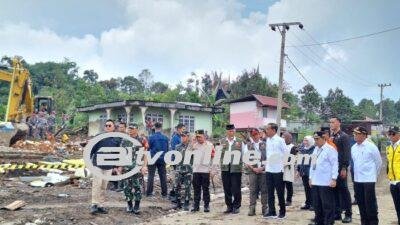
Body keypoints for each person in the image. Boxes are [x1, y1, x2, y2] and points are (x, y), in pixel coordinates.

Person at [351, 126, 381, 225]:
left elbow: (378, 163)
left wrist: (373, 176)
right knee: (360, 203)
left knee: (370, 204)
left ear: (364, 135)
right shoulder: (353, 147)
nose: (354, 135)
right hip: (357, 179)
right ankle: (364, 222)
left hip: (369, 179)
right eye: (354, 134)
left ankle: (373, 222)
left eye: (357, 134)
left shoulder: (371, 146)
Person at [90, 119, 121, 215]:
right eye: (106, 125)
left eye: (109, 126)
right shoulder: (99, 137)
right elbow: (91, 149)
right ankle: (94, 204)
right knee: (97, 184)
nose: (107, 127)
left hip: (108, 166)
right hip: (97, 165)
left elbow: (117, 154)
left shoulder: (116, 139)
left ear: (113, 128)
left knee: (104, 186)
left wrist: (116, 166)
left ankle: (101, 205)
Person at [309, 131, 338, 225]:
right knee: (317, 204)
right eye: (314, 139)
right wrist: (310, 178)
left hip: (326, 181)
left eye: (317, 139)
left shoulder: (330, 149)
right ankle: (319, 221)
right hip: (316, 181)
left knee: (327, 205)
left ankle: (328, 222)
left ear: (324, 138)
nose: (315, 141)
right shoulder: (315, 149)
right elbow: (312, 165)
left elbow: (335, 165)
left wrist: (334, 178)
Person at [121, 123, 148, 214]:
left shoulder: (142, 140)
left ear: (137, 130)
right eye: (129, 128)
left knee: (137, 187)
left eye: (132, 129)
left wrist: (144, 166)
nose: (130, 130)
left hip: (138, 168)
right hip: (127, 168)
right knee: (127, 187)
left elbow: (145, 154)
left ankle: (137, 205)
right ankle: (129, 204)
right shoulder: (125, 140)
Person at [220, 124, 247, 214]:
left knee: (236, 188)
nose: (231, 132)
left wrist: (244, 165)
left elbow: (244, 154)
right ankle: (229, 206)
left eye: (232, 131)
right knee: (226, 188)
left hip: (236, 168)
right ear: (226, 132)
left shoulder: (240, 141)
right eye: (229, 131)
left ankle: (236, 206)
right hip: (225, 168)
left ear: (234, 131)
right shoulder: (222, 141)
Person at [329, 117, 352, 223]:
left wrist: (344, 167)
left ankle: (348, 214)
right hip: (332, 168)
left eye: (333, 122)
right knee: (334, 191)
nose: (331, 124)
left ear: (339, 123)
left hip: (340, 168)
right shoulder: (331, 136)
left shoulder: (344, 136)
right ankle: (337, 213)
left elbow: (346, 153)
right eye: (330, 122)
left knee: (344, 191)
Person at [263, 123, 287, 219]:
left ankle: (282, 212)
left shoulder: (280, 140)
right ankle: (272, 211)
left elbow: (286, 153)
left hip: (278, 170)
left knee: (280, 192)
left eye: (267, 129)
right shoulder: (268, 140)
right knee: (270, 192)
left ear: (273, 130)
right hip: (269, 169)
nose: (266, 131)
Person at [244, 128, 268, 216]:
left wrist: (262, 168)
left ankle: (265, 209)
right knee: (253, 190)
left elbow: (269, 158)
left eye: (256, 134)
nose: (255, 136)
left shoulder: (265, 144)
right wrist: (253, 168)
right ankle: (252, 209)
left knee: (264, 190)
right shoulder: (248, 145)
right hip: (252, 171)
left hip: (263, 171)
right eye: (253, 135)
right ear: (251, 136)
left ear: (259, 134)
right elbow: (246, 159)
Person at [191, 129, 215, 213]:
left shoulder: (209, 145)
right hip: (196, 170)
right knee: (196, 189)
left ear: (204, 136)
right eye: (197, 137)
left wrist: (212, 170)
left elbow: (213, 158)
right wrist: (192, 142)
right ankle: (196, 206)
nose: (198, 139)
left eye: (200, 137)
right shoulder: (194, 145)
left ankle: (206, 206)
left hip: (205, 170)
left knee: (205, 189)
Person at [146, 122, 169, 197]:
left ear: (154, 128)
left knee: (151, 176)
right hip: (162, 159)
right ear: (161, 128)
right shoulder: (165, 138)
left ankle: (149, 193)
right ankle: (164, 193)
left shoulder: (151, 137)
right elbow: (167, 149)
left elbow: (148, 148)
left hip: (152, 158)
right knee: (163, 176)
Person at [173, 131, 193, 211]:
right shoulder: (177, 146)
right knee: (177, 186)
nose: (182, 138)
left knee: (187, 187)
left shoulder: (192, 147)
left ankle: (186, 203)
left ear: (188, 137)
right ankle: (178, 203)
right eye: (182, 136)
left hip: (188, 169)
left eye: (184, 136)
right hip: (179, 169)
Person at [297, 136, 315, 210]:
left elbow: (313, 162)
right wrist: (298, 170)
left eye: (306, 140)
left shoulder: (314, 150)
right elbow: (299, 161)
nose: (305, 142)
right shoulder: (302, 149)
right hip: (303, 172)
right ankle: (308, 203)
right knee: (306, 188)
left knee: (312, 189)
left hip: (310, 172)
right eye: (304, 140)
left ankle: (313, 204)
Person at [387, 126, 400, 224]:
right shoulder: (389, 147)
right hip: (393, 181)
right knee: (397, 205)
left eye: (393, 133)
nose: (391, 136)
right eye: (389, 134)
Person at [169, 123, 186, 201]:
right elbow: (175, 151)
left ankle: (175, 193)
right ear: (179, 129)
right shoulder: (175, 138)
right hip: (176, 161)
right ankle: (173, 194)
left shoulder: (180, 137)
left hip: (181, 161)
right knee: (177, 179)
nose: (184, 131)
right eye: (183, 129)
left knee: (179, 179)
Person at [282, 132, 296, 206]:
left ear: (289, 138)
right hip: (281, 168)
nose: (283, 138)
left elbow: (292, 159)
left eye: (284, 137)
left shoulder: (293, 147)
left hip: (289, 168)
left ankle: (289, 200)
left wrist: (284, 164)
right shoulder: (281, 146)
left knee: (289, 185)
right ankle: (281, 200)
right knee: (281, 185)